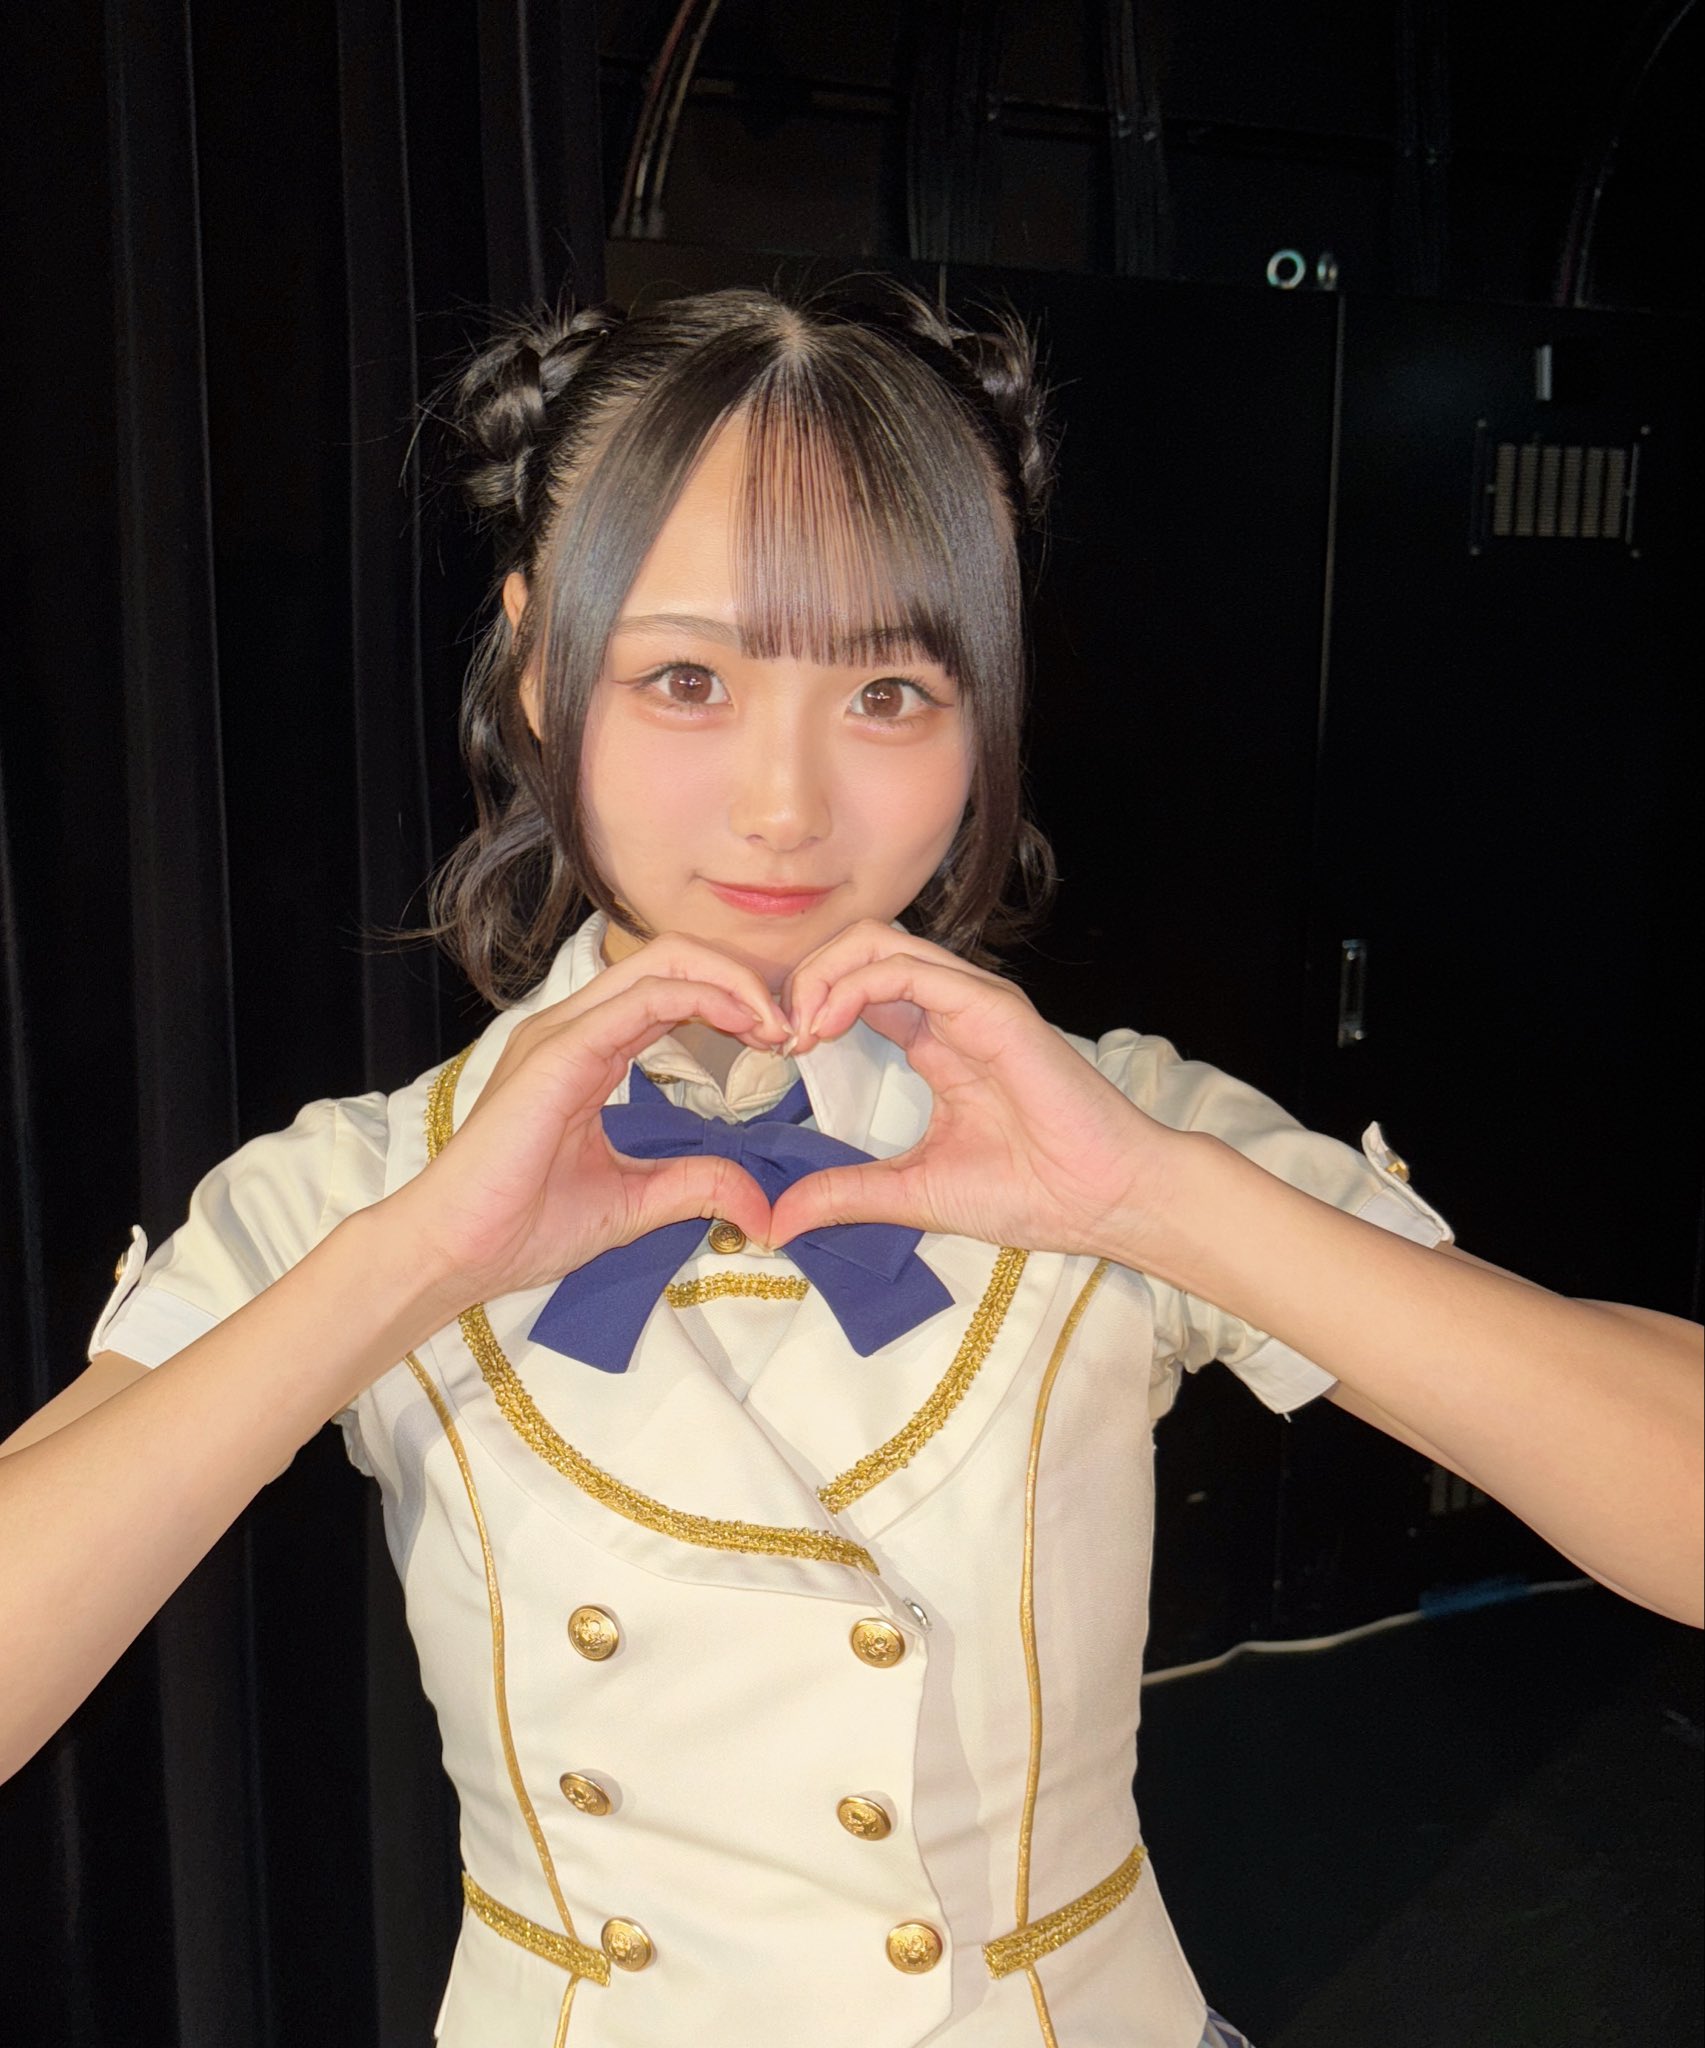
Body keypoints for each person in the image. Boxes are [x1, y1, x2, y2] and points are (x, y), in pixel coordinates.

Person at [1, 274, 1698, 2048]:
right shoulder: (359, 1190)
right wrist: (412, 1264)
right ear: (537, 665)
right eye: (685, 679)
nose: (784, 805)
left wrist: (1148, 1200)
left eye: (887, 690)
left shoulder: (1128, 1131)